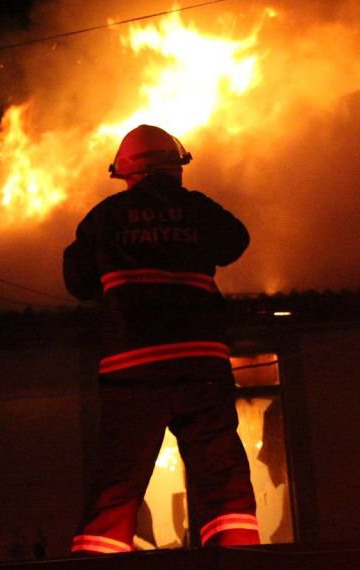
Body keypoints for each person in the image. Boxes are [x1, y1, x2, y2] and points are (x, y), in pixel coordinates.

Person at [63, 124, 259, 554]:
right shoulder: (198, 209)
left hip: (132, 371)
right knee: (221, 476)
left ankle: (98, 556)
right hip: (199, 367)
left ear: (127, 173)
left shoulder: (105, 217)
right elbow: (235, 241)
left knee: (118, 482)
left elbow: (76, 281)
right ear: (174, 167)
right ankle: (241, 558)